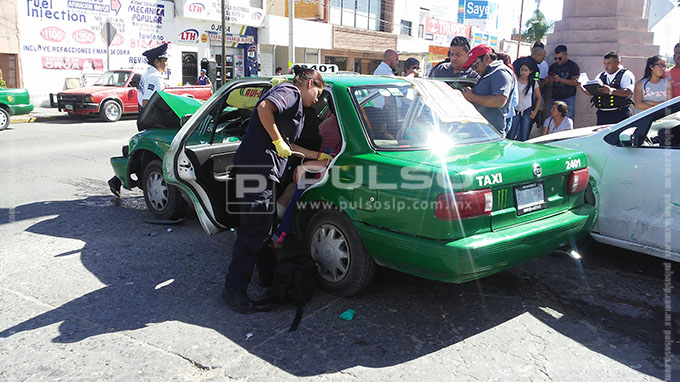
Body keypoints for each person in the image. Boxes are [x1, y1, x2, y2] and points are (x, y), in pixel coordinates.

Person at [221, 65, 324, 314]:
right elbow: (265, 108)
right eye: (318, 94)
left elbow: (289, 145)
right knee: (253, 232)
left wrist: (319, 155)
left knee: (262, 228)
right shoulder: (290, 92)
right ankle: (233, 291)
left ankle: (269, 278)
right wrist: (277, 140)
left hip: (259, 170)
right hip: (255, 170)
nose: (317, 101)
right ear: (309, 84)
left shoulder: (295, 103)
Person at [461, 44, 515, 135]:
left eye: (475, 65)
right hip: (481, 131)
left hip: (492, 133)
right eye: (471, 67)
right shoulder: (487, 73)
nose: (474, 70)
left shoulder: (500, 72)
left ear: (486, 58)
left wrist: (472, 97)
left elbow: (499, 100)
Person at [580, 51, 635, 125]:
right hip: (603, 114)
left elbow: (628, 92)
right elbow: (592, 93)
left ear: (617, 62)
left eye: (609, 63)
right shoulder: (601, 75)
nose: (606, 66)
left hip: (620, 113)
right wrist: (581, 87)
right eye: (604, 63)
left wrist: (611, 91)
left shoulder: (626, 74)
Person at [508, 62, 543, 141]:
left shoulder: (533, 83)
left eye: (526, 70)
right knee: (511, 134)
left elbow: (539, 97)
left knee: (524, 135)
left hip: (527, 110)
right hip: (515, 110)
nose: (523, 72)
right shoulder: (515, 81)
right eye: (522, 70)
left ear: (530, 71)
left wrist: (535, 111)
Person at [547, 45, 580, 120]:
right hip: (554, 97)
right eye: (556, 58)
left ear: (566, 55)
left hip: (568, 98)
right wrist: (550, 81)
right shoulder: (553, 67)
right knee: (551, 120)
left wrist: (560, 80)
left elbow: (575, 82)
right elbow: (549, 85)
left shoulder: (572, 66)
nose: (558, 60)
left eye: (560, 58)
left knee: (567, 120)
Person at [137, 44, 169, 111]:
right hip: (152, 118)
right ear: (157, 62)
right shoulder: (154, 78)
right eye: (165, 60)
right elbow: (146, 102)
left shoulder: (148, 74)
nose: (167, 63)